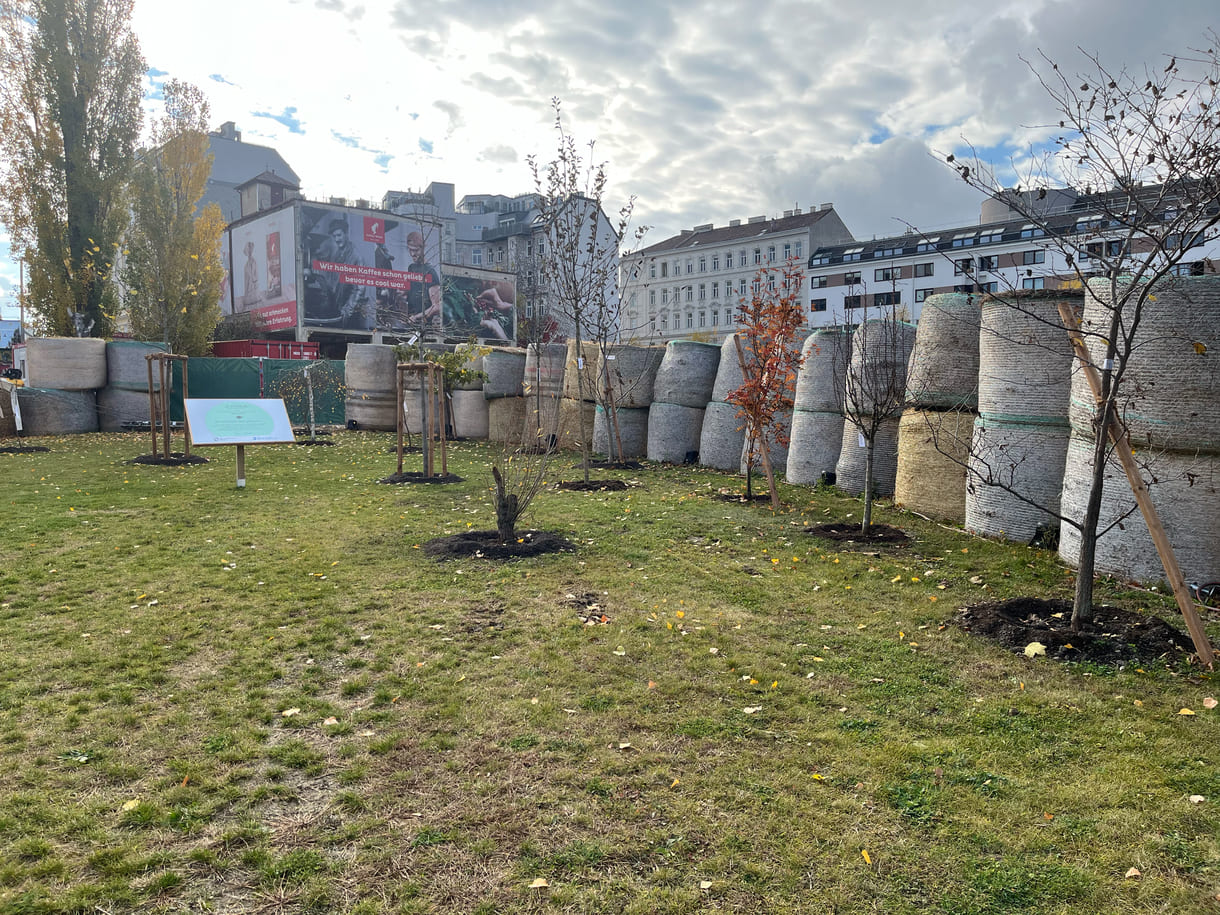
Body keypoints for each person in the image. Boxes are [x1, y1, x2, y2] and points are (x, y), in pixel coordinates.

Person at [316, 217, 372, 329]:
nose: (337, 239)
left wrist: (347, 310)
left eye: (339, 235)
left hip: (352, 314)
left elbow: (359, 289)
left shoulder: (356, 257)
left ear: (346, 234)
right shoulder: (337, 254)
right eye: (334, 236)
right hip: (339, 309)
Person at [404, 231, 443, 327]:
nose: (413, 254)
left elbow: (436, 306)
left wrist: (417, 317)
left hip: (424, 326)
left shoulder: (430, 272)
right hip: (410, 322)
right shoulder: (411, 268)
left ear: (423, 248)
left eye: (416, 250)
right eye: (410, 250)